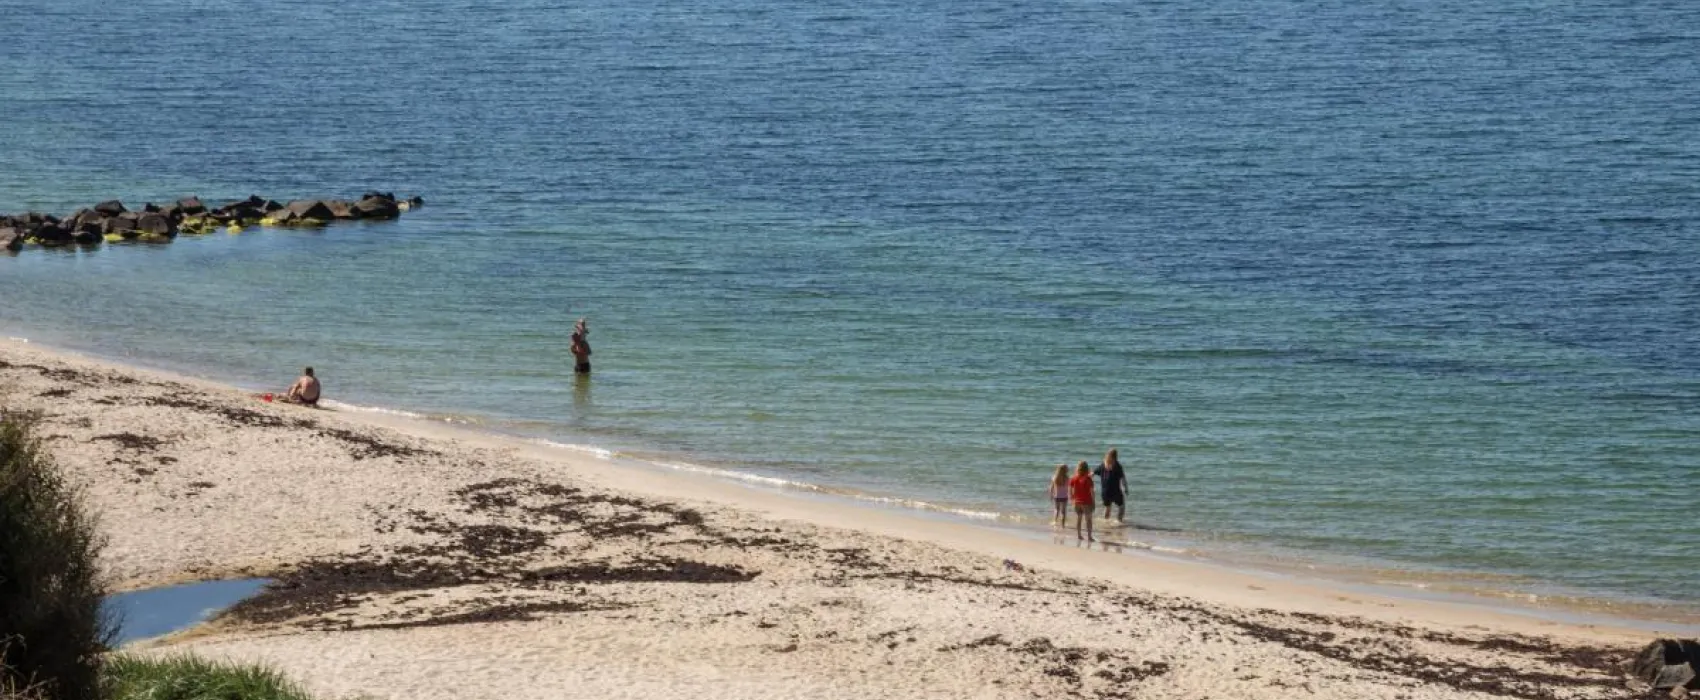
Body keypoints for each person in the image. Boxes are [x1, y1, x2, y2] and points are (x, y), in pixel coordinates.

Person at [1093, 448, 1129, 522]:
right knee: (1122, 507)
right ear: (1116, 456)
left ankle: (1106, 522)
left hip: (1105, 492)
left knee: (1107, 508)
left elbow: (1092, 474)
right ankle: (1119, 521)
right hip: (1115, 491)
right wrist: (1126, 488)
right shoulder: (1117, 466)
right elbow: (1123, 479)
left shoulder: (1103, 465)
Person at [1069, 461, 1095, 542]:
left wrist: (1072, 497)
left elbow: (1070, 488)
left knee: (1079, 519)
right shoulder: (1088, 479)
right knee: (1089, 520)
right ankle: (1089, 537)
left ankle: (1079, 535)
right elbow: (1092, 492)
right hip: (1087, 502)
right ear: (1087, 469)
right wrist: (1093, 502)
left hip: (1077, 502)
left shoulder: (1074, 478)